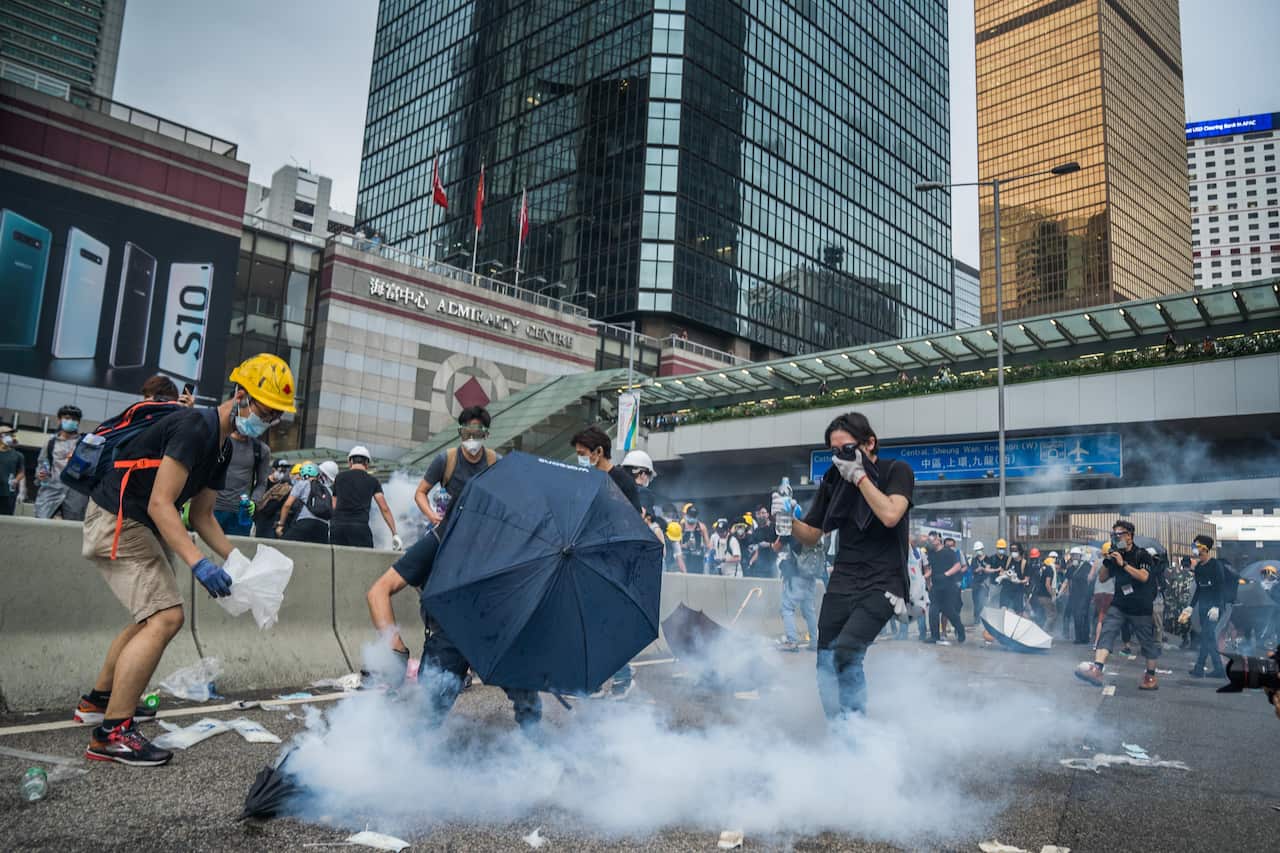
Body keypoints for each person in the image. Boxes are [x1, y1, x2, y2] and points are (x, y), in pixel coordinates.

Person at [75, 353, 294, 765]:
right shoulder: (195, 427)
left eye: (277, 416)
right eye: (267, 411)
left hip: (138, 523)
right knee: (167, 617)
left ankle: (98, 701)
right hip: (120, 520)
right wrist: (199, 564)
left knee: (150, 617)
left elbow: (201, 516)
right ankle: (112, 733)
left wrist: (239, 564)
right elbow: (161, 504)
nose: (270, 422)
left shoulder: (223, 448)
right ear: (241, 396)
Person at [366, 405, 540, 728]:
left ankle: (537, 750)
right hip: (448, 635)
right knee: (429, 714)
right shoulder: (440, 538)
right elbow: (378, 591)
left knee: (528, 696)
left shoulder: (502, 538)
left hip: (492, 630)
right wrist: (395, 647)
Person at [790, 412, 914, 721]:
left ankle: (856, 733)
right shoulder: (834, 480)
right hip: (843, 580)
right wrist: (785, 523)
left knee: (846, 652)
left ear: (870, 443)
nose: (840, 459)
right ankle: (838, 728)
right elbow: (812, 533)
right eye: (834, 452)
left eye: (847, 450)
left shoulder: (897, 471)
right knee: (825, 661)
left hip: (885, 582)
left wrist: (859, 476)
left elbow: (890, 515)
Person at [1074, 520, 1161, 691]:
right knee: (1107, 631)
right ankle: (1097, 669)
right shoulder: (1115, 554)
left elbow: (1144, 577)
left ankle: (1150, 676)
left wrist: (1124, 564)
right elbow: (1102, 578)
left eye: (1118, 534)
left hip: (1141, 606)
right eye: (1113, 535)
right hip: (1120, 603)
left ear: (1129, 536)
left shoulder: (1142, 555)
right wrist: (1108, 561)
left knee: (1147, 643)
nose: (1115, 537)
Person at [331, 446, 401, 549]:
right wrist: (394, 533)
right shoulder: (372, 481)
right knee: (364, 562)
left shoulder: (339, 478)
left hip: (338, 527)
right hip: (360, 529)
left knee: (337, 563)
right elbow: (384, 509)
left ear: (350, 461)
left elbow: (333, 505)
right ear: (367, 463)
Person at [211, 419, 271, 536]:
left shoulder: (261, 450)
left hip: (240, 513)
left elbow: (262, 482)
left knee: (235, 551)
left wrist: (254, 501)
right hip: (211, 509)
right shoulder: (219, 440)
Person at [35, 404, 89, 521]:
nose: (70, 421)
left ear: (78, 422)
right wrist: (40, 474)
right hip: (50, 493)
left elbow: (91, 470)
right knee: (42, 527)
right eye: (67, 418)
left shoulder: (85, 444)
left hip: (76, 496)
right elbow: (41, 465)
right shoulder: (50, 443)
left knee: (72, 532)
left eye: (74, 419)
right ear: (59, 419)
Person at [1188, 534, 1227, 679]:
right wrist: (1191, 606)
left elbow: (1221, 587)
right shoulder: (1198, 567)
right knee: (1207, 638)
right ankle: (1203, 669)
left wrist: (1217, 606)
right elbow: (1199, 588)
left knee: (1208, 637)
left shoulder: (1216, 565)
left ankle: (1214, 669)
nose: (1193, 549)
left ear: (1204, 548)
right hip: (1204, 608)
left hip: (1215, 609)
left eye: (1196, 545)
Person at [777, 529, 820, 652]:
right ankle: (814, 641)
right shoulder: (812, 532)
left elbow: (776, 547)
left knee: (787, 608)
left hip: (796, 576)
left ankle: (792, 642)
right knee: (809, 611)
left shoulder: (791, 531)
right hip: (811, 577)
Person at [276, 461, 333, 543]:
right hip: (323, 527)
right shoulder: (327, 490)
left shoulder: (302, 484)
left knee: (284, 547)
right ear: (318, 475)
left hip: (304, 523)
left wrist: (281, 525)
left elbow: (287, 505)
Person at [926, 531, 965, 644]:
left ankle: (960, 630)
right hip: (936, 588)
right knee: (933, 611)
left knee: (950, 612)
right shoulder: (931, 553)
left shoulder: (949, 552)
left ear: (939, 538)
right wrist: (928, 582)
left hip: (948, 587)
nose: (932, 541)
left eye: (933, 538)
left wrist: (946, 574)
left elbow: (958, 566)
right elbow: (931, 568)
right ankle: (935, 636)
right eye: (930, 539)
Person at [1061, 547, 1093, 644]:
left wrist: (1092, 595)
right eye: (1073, 555)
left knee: (1083, 616)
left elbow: (1091, 580)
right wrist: (1060, 593)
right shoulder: (1070, 568)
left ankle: (1085, 638)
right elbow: (1066, 581)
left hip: (1085, 596)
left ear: (1080, 556)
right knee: (1076, 617)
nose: (1074, 557)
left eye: (1076, 555)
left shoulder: (1087, 566)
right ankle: (1079, 638)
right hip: (1074, 596)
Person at [254, 460, 294, 540]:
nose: (283, 473)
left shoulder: (285, 486)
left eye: (285, 471)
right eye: (281, 470)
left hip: (273, 520)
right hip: (260, 518)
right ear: (273, 469)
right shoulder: (263, 482)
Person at [747, 505, 778, 579]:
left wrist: (769, 545)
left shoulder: (775, 527)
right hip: (762, 565)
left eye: (763, 513)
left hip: (776, 562)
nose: (761, 515)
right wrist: (751, 561)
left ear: (768, 514)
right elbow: (756, 550)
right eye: (758, 514)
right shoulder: (756, 531)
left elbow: (783, 545)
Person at [997, 542, 1029, 612]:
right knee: (1003, 609)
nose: (1013, 552)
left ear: (1020, 551)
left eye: (1015, 550)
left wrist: (1018, 581)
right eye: (1011, 550)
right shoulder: (1008, 560)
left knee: (1018, 611)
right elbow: (1000, 572)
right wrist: (1005, 574)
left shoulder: (1024, 563)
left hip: (1018, 591)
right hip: (1006, 590)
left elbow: (1026, 580)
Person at [0, 426, 25, 515]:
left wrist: (16, 480)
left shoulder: (18, 455)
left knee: (6, 520)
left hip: (8, 493)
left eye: (12, 435)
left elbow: (21, 472)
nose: (11, 437)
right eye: (7, 434)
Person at [680, 503, 709, 574]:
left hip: (698, 558)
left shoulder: (701, 527)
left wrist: (702, 546)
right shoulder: (681, 526)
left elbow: (708, 544)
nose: (692, 518)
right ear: (686, 515)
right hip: (685, 557)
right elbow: (676, 545)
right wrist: (685, 545)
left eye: (694, 516)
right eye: (690, 515)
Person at [1031, 553, 1057, 633]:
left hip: (1039, 595)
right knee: (1052, 615)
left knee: (1044, 615)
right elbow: (1047, 584)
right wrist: (1052, 595)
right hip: (1045, 596)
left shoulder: (1042, 569)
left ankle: (1047, 632)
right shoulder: (1049, 570)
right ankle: (1044, 633)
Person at [967, 541, 989, 625]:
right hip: (976, 585)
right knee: (976, 603)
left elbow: (988, 570)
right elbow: (973, 570)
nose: (978, 551)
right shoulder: (974, 560)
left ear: (982, 549)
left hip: (984, 584)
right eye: (976, 550)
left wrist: (983, 569)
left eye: (979, 549)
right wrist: (979, 569)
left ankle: (983, 621)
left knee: (983, 602)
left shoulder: (987, 559)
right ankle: (976, 620)